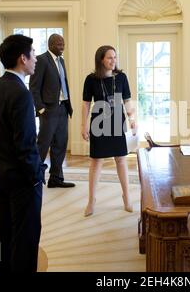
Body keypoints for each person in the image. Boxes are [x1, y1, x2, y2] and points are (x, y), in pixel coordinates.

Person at [0, 34, 47, 272]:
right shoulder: (21, 93)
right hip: (22, 179)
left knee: (4, 230)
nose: (35, 59)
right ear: (23, 58)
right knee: (26, 237)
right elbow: (25, 144)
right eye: (33, 54)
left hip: (0, 175)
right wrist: (36, 176)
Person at [81, 45, 137, 216]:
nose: (114, 61)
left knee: (120, 159)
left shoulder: (121, 77)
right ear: (101, 60)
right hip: (98, 121)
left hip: (117, 121)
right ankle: (92, 200)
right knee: (96, 161)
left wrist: (132, 119)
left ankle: (126, 197)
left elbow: (127, 99)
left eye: (115, 57)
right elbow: (86, 104)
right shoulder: (91, 79)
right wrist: (83, 125)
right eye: (109, 58)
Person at [29, 34, 75, 188]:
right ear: (50, 44)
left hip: (63, 108)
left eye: (63, 43)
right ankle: (33, 177)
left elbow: (63, 84)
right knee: (43, 145)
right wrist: (41, 109)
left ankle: (56, 178)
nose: (62, 46)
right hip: (48, 110)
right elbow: (34, 87)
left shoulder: (61, 60)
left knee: (60, 144)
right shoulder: (42, 60)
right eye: (59, 44)